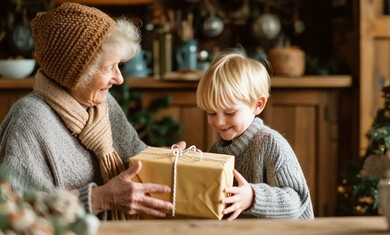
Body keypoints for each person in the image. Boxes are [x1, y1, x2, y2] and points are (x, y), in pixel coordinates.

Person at [0, 2, 182, 220]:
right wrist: (99, 199)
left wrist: (165, 158)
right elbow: (12, 210)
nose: (119, 78)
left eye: (119, 65)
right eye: (108, 68)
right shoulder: (30, 119)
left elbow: (134, 157)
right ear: (75, 73)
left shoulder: (102, 105)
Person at [196, 50, 314, 220]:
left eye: (230, 112)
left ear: (257, 105)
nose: (219, 122)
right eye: (211, 113)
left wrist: (253, 198)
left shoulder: (270, 144)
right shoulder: (216, 150)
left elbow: (297, 199)